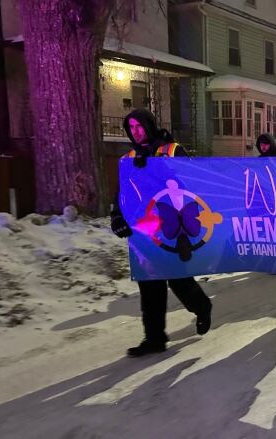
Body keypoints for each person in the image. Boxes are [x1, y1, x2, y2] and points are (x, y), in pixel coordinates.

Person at [110, 108, 213, 357]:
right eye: (131, 128)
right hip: (143, 230)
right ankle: (154, 338)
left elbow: (192, 184)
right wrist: (117, 217)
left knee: (178, 279)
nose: (135, 132)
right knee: (149, 285)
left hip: (172, 226)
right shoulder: (129, 158)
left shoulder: (171, 150)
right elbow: (122, 194)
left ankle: (202, 307)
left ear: (149, 125)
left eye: (139, 126)